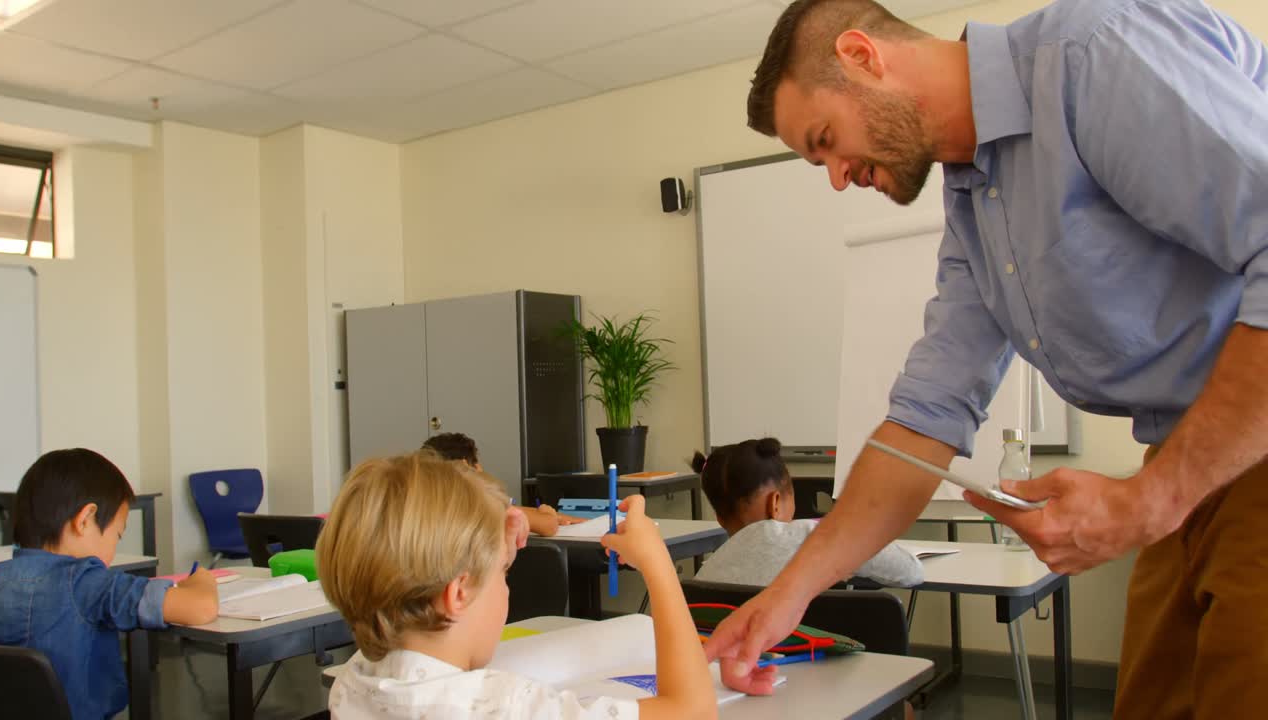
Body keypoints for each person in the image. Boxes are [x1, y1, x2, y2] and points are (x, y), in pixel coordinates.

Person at [704, 0, 1268, 716]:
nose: (838, 178)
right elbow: (922, 425)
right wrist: (785, 597)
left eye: (826, 141)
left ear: (862, 56)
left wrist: (1151, 500)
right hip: (1191, 454)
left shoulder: (1091, 56)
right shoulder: (976, 204)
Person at [316, 451, 721, 719]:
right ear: (457, 594)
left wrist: (492, 534)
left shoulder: (353, 683)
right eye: (504, 573)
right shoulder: (508, 707)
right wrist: (658, 563)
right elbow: (693, 708)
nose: (506, 583)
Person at [0, 449, 219, 720]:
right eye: (116, 536)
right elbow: (201, 608)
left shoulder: (0, 583)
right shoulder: (88, 583)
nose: (112, 552)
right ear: (85, 519)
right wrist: (204, 580)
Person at [691, 437, 922, 587]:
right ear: (776, 502)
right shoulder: (815, 536)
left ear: (720, 519)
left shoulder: (705, 574)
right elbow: (910, 572)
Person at [421, 432, 586, 536]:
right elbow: (548, 526)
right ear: (468, 468)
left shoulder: (425, 509)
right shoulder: (477, 507)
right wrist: (547, 514)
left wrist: (546, 514)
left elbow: (513, 509)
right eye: (477, 464)